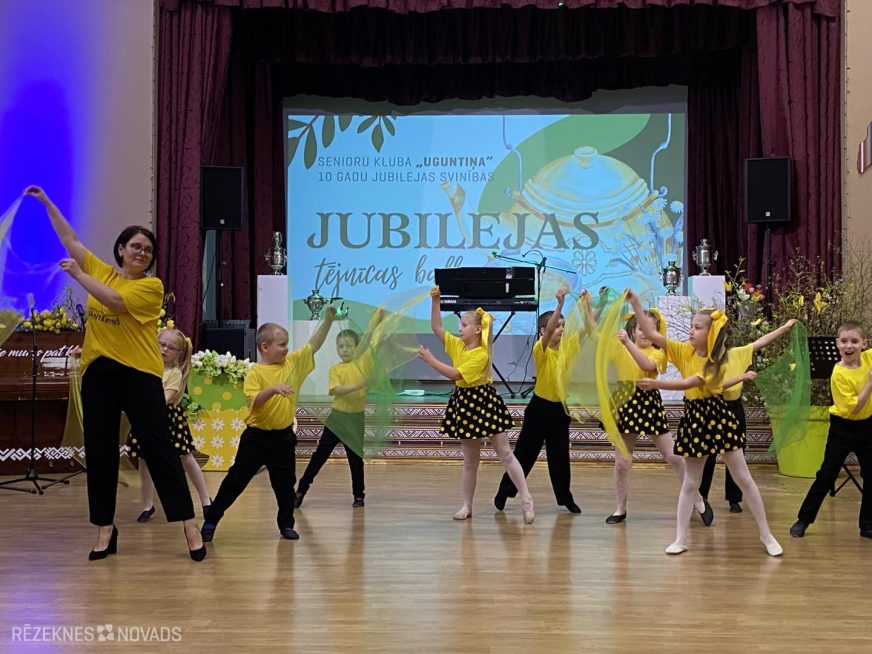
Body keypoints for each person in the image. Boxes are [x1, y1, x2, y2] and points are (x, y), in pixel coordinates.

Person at [24, 185, 205, 562]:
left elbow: (116, 301)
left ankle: (188, 523)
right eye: (135, 246)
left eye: (148, 250)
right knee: (101, 452)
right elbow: (70, 240)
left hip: (140, 376)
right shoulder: (102, 271)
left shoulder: (151, 287)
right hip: (99, 376)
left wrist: (78, 275)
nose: (141, 253)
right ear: (121, 249)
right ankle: (105, 528)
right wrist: (47, 203)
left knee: (159, 449)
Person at [627, 290, 782, 556]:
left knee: (743, 477)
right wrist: (636, 305)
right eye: (691, 325)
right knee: (690, 482)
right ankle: (680, 538)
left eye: (697, 327)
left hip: (718, 417)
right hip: (694, 418)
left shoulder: (715, 362)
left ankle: (766, 535)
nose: (691, 330)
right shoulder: (683, 350)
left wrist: (656, 384)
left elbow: (691, 382)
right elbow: (652, 334)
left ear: (711, 334)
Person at [201, 309, 335, 542]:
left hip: (283, 438)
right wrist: (273, 389)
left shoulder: (292, 363)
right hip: (256, 439)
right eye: (282, 345)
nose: (286, 349)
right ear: (265, 347)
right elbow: (254, 402)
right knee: (236, 481)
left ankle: (286, 524)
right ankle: (211, 519)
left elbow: (313, 345)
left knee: (285, 485)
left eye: (287, 344)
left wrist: (328, 321)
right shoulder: (255, 372)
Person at [417, 286, 535, 523]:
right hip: (465, 403)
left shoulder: (481, 354)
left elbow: (456, 375)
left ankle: (527, 499)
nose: (460, 329)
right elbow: (437, 327)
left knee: (505, 454)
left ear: (478, 329)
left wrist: (431, 361)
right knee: (470, 461)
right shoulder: (457, 345)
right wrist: (436, 301)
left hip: (484, 402)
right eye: (460, 325)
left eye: (464, 325)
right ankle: (466, 505)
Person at [604, 307, 710, 525]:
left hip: (648, 403)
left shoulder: (658, 352)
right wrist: (588, 309)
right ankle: (620, 508)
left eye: (649, 329)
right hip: (624, 402)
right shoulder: (621, 347)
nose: (644, 333)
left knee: (673, 456)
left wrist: (627, 343)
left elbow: (647, 365)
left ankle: (697, 498)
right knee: (622, 462)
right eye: (640, 329)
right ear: (632, 330)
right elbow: (597, 337)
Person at [493, 288, 581, 514]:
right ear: (543, 331)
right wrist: (559, 305)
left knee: (560, 457)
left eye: (563, 325)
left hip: (560, 411)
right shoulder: (540, 349)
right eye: (557, 326)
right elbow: (550, 330)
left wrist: (593, 305)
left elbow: (585, 331)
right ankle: (504, 491)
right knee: (525, 453)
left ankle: (565, 498)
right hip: (539, 409)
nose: (561, 329)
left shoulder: (568, 348)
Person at [699, 319, 797, 513]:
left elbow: (761, 342)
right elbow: (713, 386)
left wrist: (784, 328)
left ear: (727, 337)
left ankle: (734, 499)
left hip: (734, 408)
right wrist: (741, 377)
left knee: (736, 454)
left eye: (721, 334)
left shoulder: (738, 354)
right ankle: (701, 498)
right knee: (707, 455)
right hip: (712, 408)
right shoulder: (704, 359)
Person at [790, 321, 872, 539]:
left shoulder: (868, 359)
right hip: (843, 428)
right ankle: (804, 519)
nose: (849, 346)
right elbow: (855, 408)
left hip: (867, 428)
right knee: (827, 475)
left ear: (864, 344)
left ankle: (867, 525)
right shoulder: (839, 373)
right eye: (844, 341)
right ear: (837, 344)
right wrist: (870, 383)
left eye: (854, 341)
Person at [130, 328, 212, 522]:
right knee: (144, 460)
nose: (165, 349)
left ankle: (206, 499)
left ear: (178, 353)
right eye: (162, 344)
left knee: (186, 458)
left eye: (171, 347)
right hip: (145, 418)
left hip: (168, 420)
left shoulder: (174, 373)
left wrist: (143, 398)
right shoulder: (145, 368)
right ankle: (147, 505)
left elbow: (164, 399)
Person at [295, 328, 368, 508]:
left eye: (349, 346)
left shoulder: (362, 365)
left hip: (355, 419)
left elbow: (372, 339)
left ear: (357, 347)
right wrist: (357, 385)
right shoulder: (335, 370)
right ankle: (301, 490)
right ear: (336, 349)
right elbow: (336, 390)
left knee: (355, 459)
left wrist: (379, 319)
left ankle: (359, 495)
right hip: (337, 418)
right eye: (341, 346)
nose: (345, 350)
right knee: (320, 455)